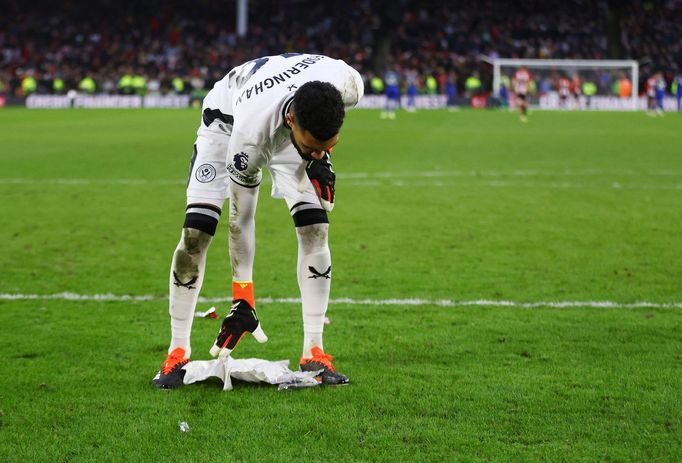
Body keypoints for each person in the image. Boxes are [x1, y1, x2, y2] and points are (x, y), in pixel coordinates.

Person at [152, 53, 364, 389]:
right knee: (197, 231)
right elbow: (242, 219)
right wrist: (243, 296)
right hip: (228, 123)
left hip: (286, 123)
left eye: (329, 145)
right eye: (314, 147)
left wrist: (320, 156)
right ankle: (177, 351)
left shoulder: (349, 85)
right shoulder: (248, 139)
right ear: (293, 121)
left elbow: (319, 138)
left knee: (315, 227)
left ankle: (314, 351)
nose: (320, 153)